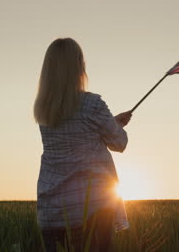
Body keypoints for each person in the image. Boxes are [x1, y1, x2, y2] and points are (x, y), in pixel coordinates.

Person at [33, 38, 132, 252]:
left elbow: (77, 133)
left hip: (52, 209)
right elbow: (119, 142)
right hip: (91, 210)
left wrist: (111, 121)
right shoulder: (92, 103)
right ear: (78, 65)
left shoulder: (43, 110)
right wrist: (116, 126)